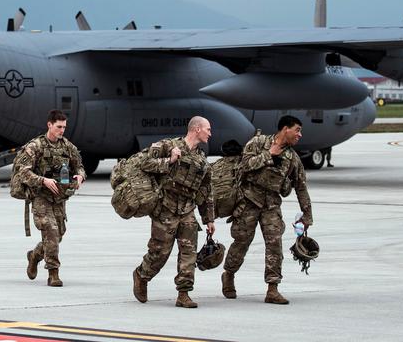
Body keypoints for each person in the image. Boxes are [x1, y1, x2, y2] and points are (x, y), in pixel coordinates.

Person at [222, 115, 314, 305]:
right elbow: (243, 167)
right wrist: (268, 155)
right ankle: (229, 274)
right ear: (285, 129)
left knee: (274, 245)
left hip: (271, 205)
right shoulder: (258, 143)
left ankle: (272, 288)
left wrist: (307, 215)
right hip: (248, 201)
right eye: (297, 130)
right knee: (241, 242)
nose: (300, 135)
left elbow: (301, 187)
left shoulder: (292, 158)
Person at [132, 116, 215, 308]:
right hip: (166, 209)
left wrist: (208, 219)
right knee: (160, 252)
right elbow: (143, 163)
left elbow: (206, 191)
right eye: (207, 129)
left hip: (187, 209)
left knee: (189, 253)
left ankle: (183, 294)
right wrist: (169, 160)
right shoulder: (168, 146)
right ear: (196, 129)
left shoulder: (202, 160)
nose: (210, 133)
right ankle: (141, 275)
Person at [15, 110, 86, 287]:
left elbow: (80, 167)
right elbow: (22, 171)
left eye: (64, 127)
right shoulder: (36, 146)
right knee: (52, 231)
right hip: (40, 197)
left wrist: (79, 176)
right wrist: (42, 180)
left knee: (58, 235)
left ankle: (34, 255)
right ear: (49, 125)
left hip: (59, 198)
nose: (62, 130)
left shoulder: (67, 146)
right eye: (58, 127)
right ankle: (53, 273)